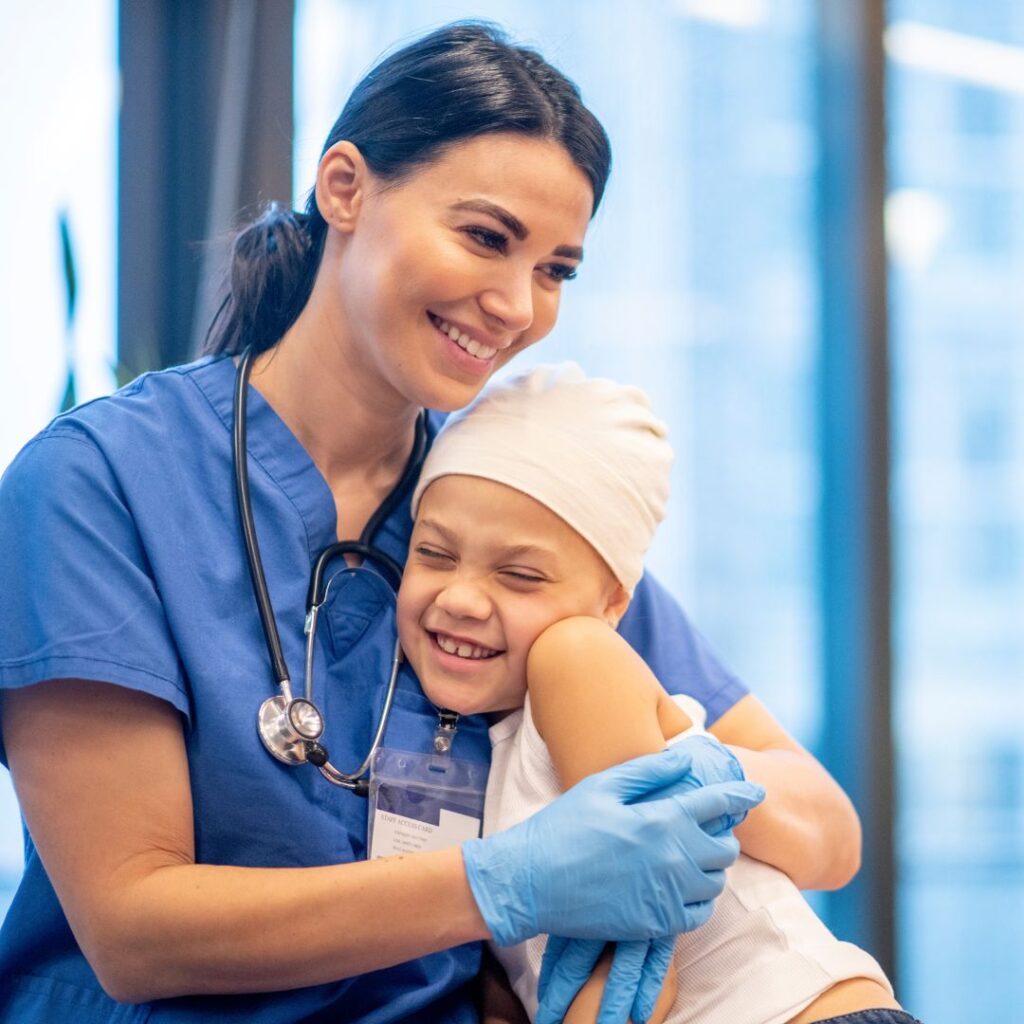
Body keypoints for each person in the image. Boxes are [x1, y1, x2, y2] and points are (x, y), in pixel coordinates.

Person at [0, 21, 852, 1024]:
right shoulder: (101, 483)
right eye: (486, 238)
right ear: (346, 188)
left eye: (555, 269)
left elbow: (820, 822)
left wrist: (684, 771)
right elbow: (135, 926)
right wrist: (506, 879)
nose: (515, 304)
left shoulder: (505, 487)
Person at [397, 362, 920, 1024]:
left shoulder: (577, 661)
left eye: (521, 575)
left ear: (614, 602)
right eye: (434, 554)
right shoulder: (493, 747)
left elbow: (638, 967)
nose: (462, 597)